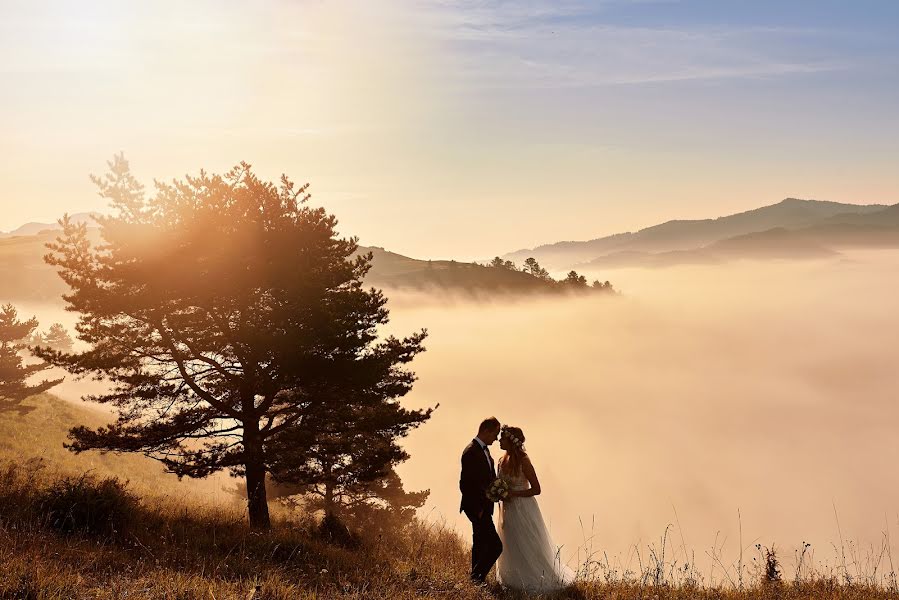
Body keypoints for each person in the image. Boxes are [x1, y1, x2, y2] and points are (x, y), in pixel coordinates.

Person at [496, 425, 575, 593]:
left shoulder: (524, 460)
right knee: (510, 542)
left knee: (527, 542)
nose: (499, 441)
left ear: (511, 441)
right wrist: (498, 493)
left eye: (502, 438)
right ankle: (513, 578)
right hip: (508, 509)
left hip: (523, 508)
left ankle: (533, 576)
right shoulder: (501, 460)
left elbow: (536, 489)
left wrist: (513, 493)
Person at [459, 417, 503, 584]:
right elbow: (465, 484)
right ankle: (476, 578)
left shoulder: (483, 450)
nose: (496, 438)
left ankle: (475, 581)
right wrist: (478, 509)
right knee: (495, 546)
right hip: (477, 508)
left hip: (484, 507)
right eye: (495, 434)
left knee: (479, 542)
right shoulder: (471, 451)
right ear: (486, 431)